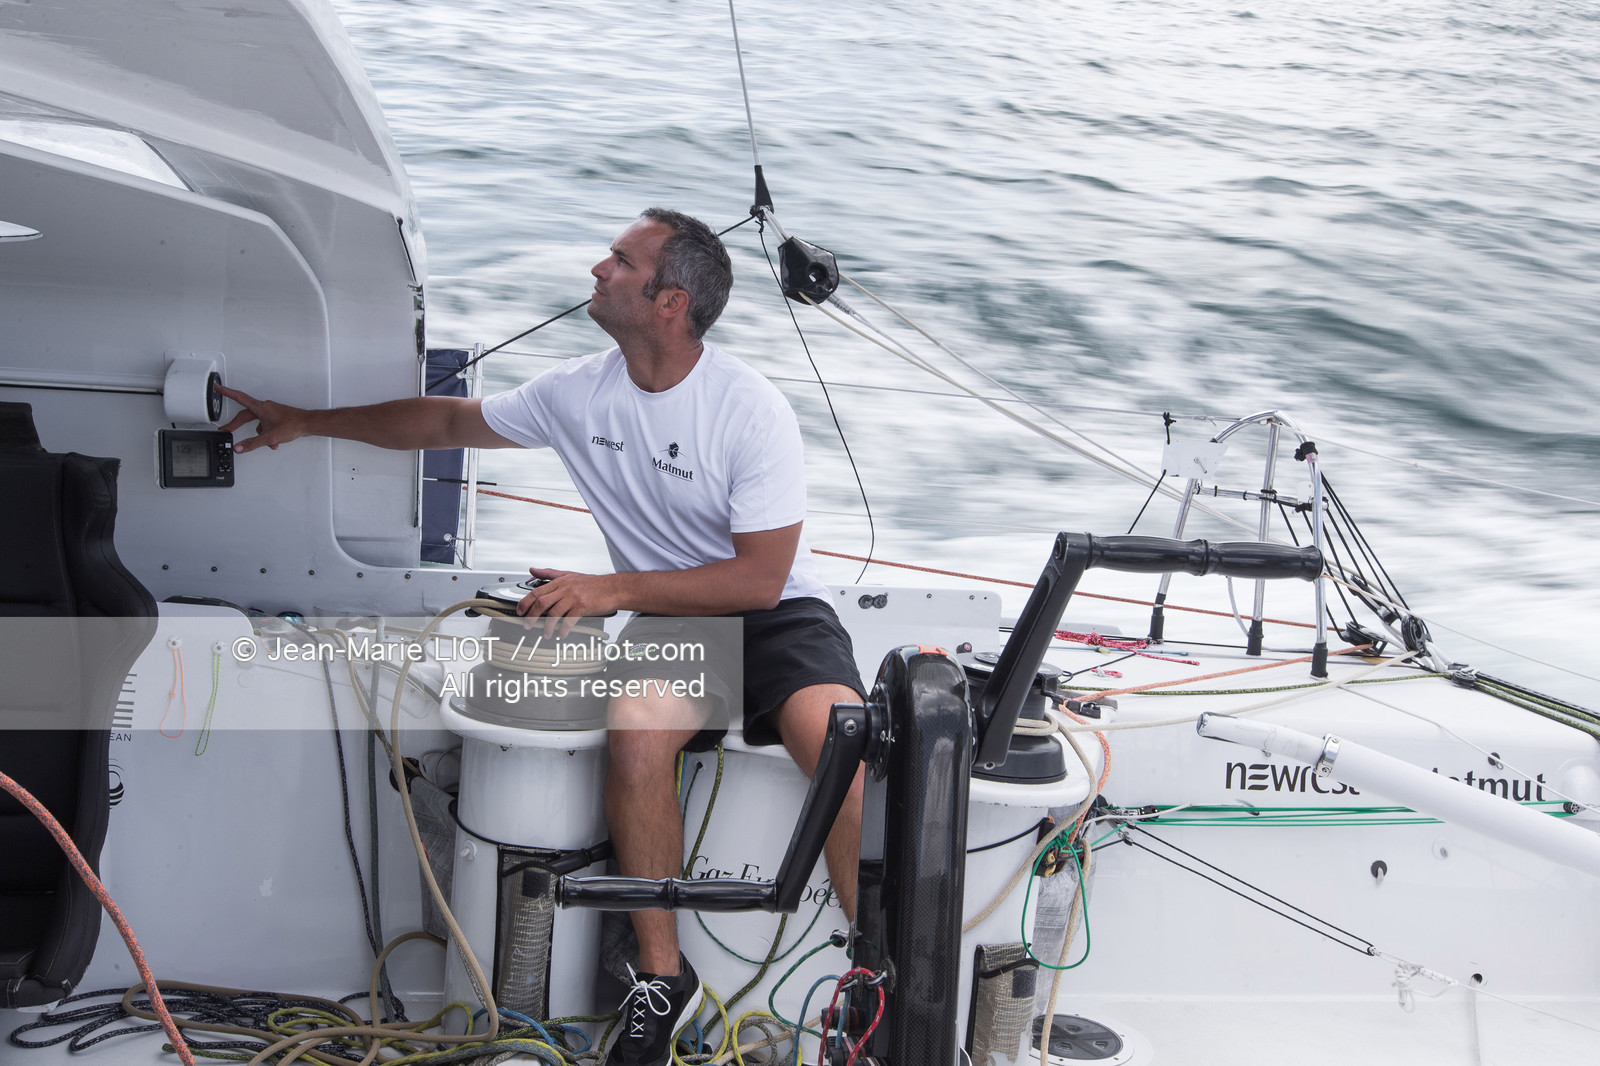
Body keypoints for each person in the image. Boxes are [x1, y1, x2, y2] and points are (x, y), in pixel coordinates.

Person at [218, 208, 866, 1066]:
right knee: (637, 740)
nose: (599, 269)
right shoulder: (578, 391)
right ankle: (660, 983)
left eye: (621, 261)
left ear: (669, 302)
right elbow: (445, 424)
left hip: (778, 613)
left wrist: (608, 589)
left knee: (840, 744)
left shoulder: (749, 409)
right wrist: (311, 420)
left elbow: (758, 579)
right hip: (678, 623)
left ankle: (877, 970)